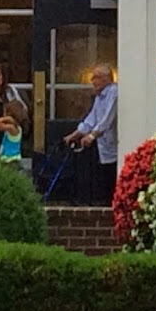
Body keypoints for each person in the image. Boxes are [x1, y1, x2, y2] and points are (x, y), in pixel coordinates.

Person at [65, 64, 119, 205]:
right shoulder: (99, 97)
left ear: (107, 78)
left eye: (96, 77)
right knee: (102, 175)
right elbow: (91, 120)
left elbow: (107, 119)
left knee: (111, 177)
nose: (93, 81)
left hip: (115, 144)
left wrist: (91, 136)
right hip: (103, 146)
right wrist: (74, 135)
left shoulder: (114, 92)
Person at [0, 99, 28, 165]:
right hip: (6, 158)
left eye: (5, 112)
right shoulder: (17, 127)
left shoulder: (12, 128)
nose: (3, 114)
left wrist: (7, 118)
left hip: (11, 160)